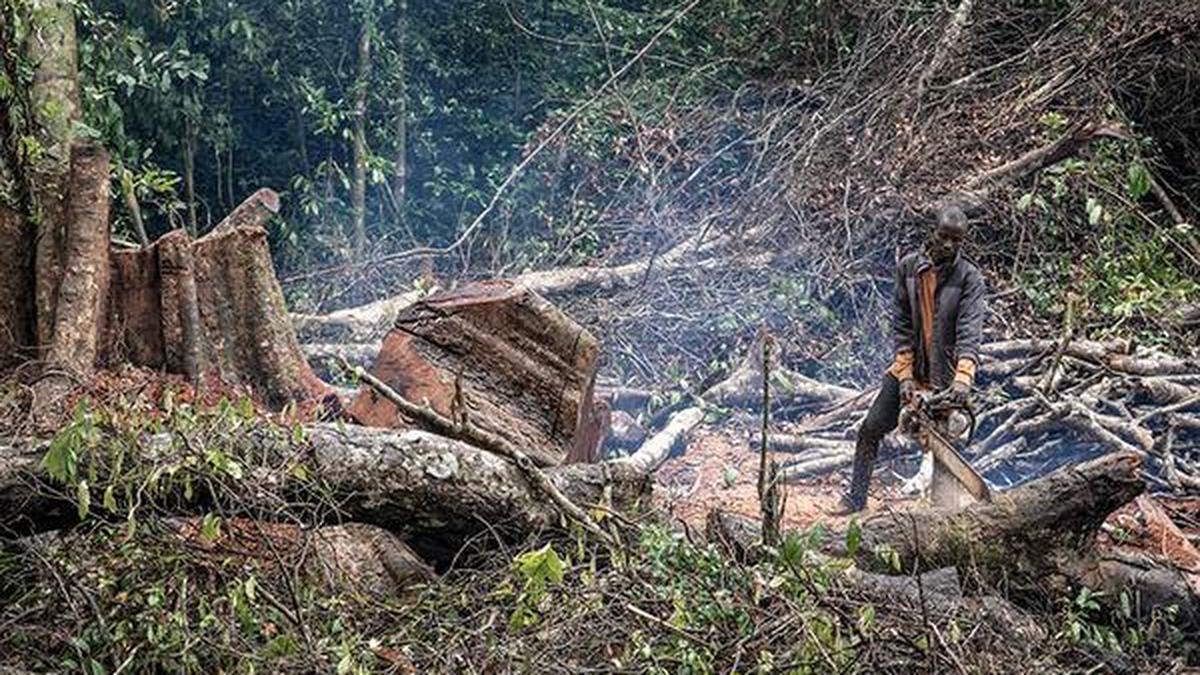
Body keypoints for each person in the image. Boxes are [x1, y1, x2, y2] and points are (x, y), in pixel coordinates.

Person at [835, 203, 987, 514]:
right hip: (911, 366)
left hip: (945, 375)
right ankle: (855, 499)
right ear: (932, 231)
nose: (949, 245)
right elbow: (901, 324)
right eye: (944, 236)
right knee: (871, 427)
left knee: (943, 448)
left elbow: (970, 331)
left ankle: (942, 515)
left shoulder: (969, 278)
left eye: (957, 240)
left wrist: (963, 377)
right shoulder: (908, 268)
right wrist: (904, 375)